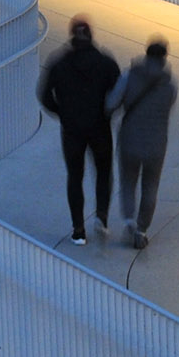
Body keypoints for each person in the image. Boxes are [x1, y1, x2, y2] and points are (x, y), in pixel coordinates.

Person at [38, 15, 121, 246]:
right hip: (100, 127)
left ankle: (78, 230)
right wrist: (108, 113)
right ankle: (102, 218)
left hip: (72, 130)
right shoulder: (106, 63)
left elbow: (44, 95)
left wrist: (62, 113)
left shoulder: (59, 63)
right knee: (103, 173)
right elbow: (118, 94)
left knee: (75, 177)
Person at [106, 38, 179, 250]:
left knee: (128, 182)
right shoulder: (170, 84)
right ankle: (141, 229)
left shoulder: (129, 76)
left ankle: (129, 220)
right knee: (151, 186)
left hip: (130, 138)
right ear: (165, 57)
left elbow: (112, 103)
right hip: (156, 143)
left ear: (146, 54)